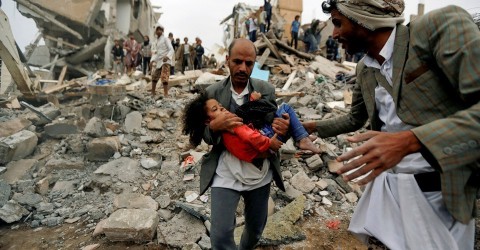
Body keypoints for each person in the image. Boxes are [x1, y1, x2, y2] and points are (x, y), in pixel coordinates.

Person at [302, 1, 480, 249]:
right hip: (388, 192)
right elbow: (355, 118)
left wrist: (410, 141)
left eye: (338, 23)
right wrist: (310, 126)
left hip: (440, 196)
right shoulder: (365, 68)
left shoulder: (436, 29)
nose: (334, 34)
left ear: (362, 18)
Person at [199, 38, 291, 249]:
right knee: (220, 234)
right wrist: (214, 127)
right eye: (237, 61)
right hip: (226, 171)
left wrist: (283, 129)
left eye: (248, 64)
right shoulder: (212, 93)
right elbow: (201, 136)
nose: (242, 68)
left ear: (255, 63)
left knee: (256, 228)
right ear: (227, 60)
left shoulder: (265, 89)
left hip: (259, 171)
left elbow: (275, 128)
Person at [183, 91, 320, 162]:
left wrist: (254, 100)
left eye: (221, 106)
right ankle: (302, 138)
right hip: (264, 144)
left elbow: (248, 112)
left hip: (260, 147)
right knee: (285, 108)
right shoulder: (231, 125)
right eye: (216, 109)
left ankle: (301, 133)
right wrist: (268, 143)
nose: (222, 109)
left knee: (283, 118)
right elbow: (250, 136)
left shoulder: (229, 125)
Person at [150, 25, 174, 97]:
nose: (159, 31)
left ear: (162, 31)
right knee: (154, 76)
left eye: (160, 30)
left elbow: (171, 49)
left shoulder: (166, 39)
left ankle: (166, 94)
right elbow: (156, 53)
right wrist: (152, 61)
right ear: (156, 31)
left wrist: (167, 56)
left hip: (166, 60)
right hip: (159, 61)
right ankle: (153, 92)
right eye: (157, 30)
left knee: (164, 76)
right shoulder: (156, 41)